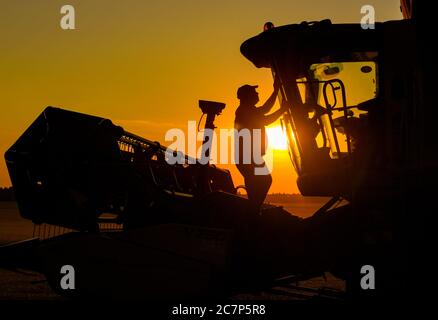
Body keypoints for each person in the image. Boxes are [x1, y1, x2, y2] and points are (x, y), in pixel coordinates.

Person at [234, 78, 285, 213]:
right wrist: (282, 109)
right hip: (248, 157)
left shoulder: (248, 110)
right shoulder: (245, 111)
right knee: (264, 181)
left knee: (257, 184)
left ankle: (253, 211)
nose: (257, 94)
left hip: (249, 157)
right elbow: (266, 118)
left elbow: (264, 109)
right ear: (247, 97)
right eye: (254, 92)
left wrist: (276, 92)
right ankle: (253, 211)